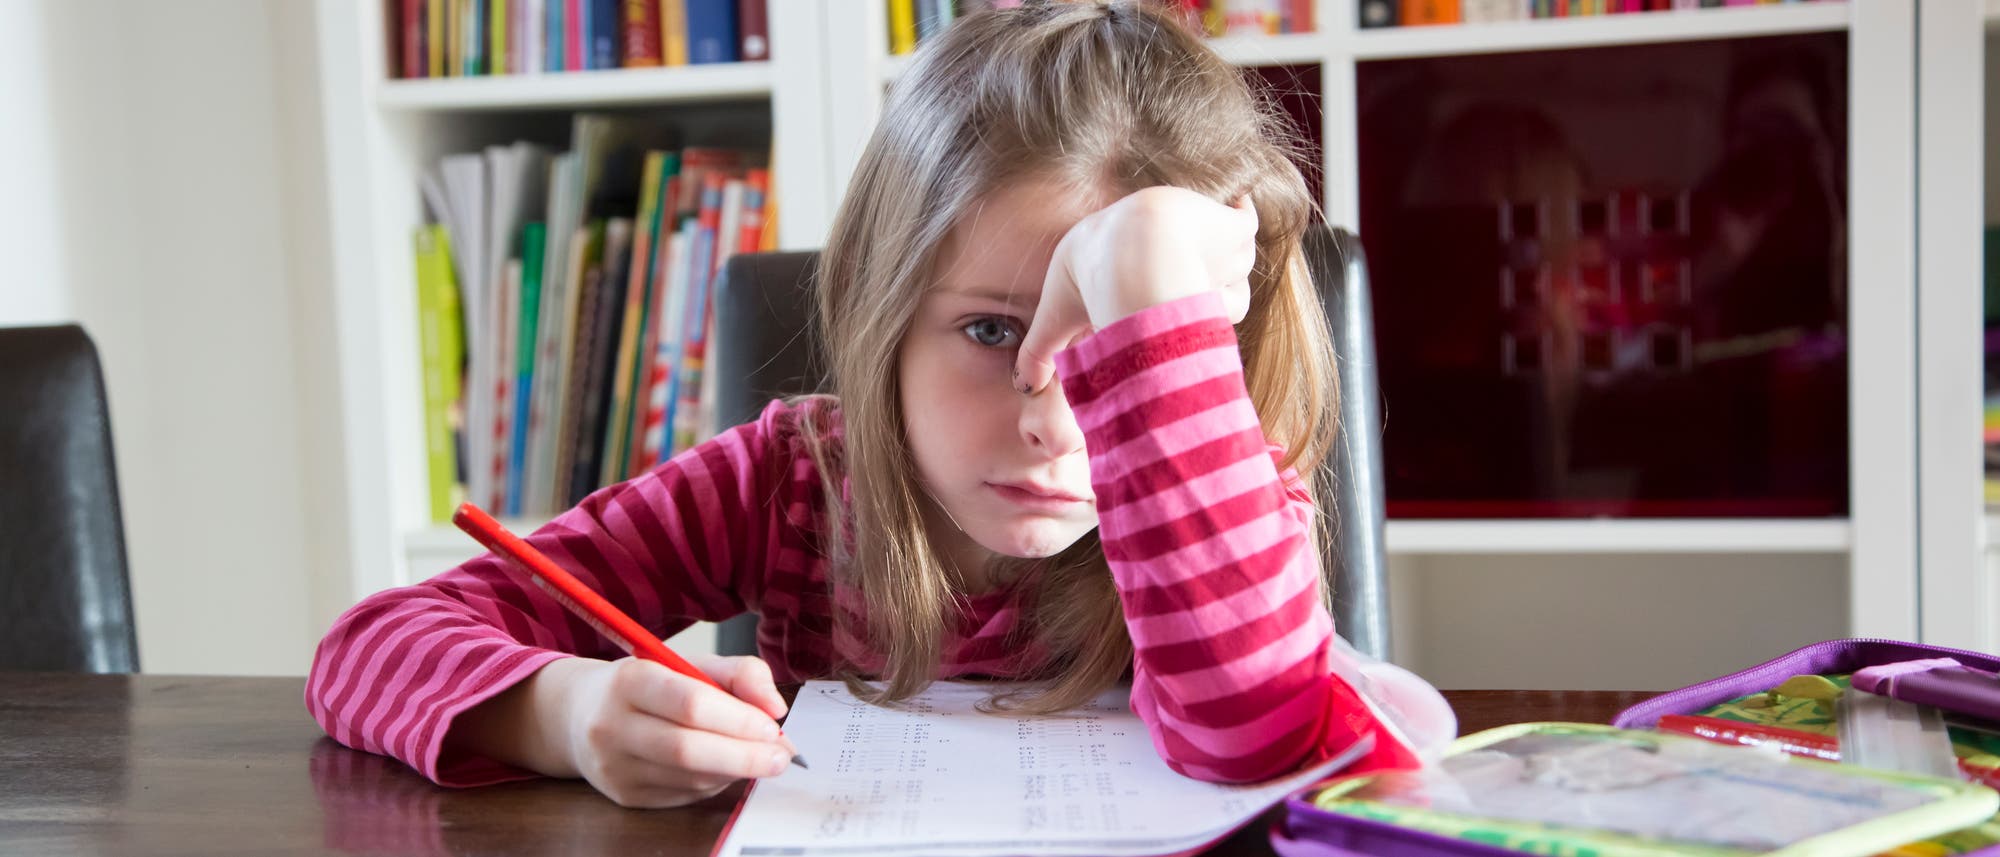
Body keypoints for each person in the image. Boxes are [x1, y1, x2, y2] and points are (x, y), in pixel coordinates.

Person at [306, 0, 1453, 809]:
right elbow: (368, 649)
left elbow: (1249, 732)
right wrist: (564, 712)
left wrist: (1152, 270)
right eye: (992, 331)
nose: (1053, 417)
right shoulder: (788, 481)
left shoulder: (1233, 495)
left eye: (1123, 350)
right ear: (880, 303)